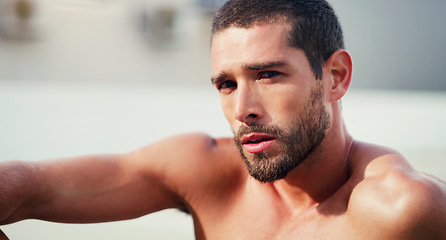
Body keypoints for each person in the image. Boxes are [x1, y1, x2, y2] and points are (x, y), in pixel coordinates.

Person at [1, 0, 446, 239]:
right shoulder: (206, 173)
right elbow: (22, 188)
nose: (242, 110)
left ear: (335, 77)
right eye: (226, 84)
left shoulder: (398, 209)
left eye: (268, 75)